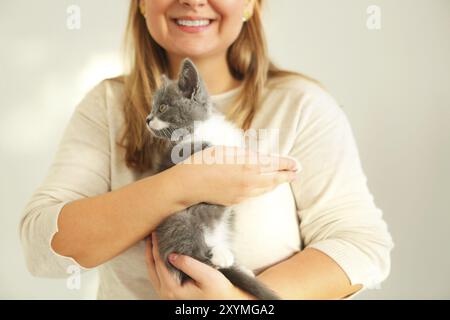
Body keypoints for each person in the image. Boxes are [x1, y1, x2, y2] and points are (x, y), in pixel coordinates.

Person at [19, 0, 393, 299]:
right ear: (141, 4)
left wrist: (238, 304)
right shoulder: (107, 105)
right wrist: (183, 184)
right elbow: (43, 249)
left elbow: (361, 246)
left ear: (250, 4)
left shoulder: (301, 105)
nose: (193, 1)